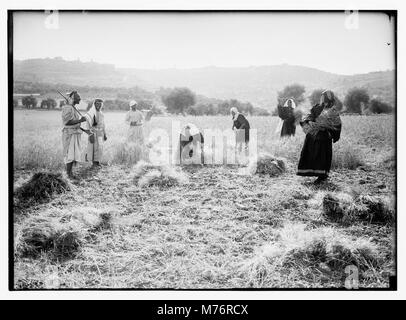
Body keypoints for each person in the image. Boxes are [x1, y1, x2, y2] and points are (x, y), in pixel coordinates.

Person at [297, 90, 342, 184]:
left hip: (324, 136)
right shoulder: (317, 107)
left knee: (322, 156)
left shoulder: (333, 110)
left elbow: (337, 124)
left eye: (324, 96)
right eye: (322, 96)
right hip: (313, 135)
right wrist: (309, 121)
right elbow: (309, 115)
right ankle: (311, 173)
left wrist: (328, 129)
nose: (322, 98)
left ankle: (322, 177)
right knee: (311, 154)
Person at [61, 91, 87, 178]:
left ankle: (70, 173)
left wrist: (85, 130)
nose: (80, 99)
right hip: (70, 134)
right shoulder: (68, 108)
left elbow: (75, 125)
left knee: (73, 154)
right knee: (70, 154)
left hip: (74, 133)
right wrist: (80, 120)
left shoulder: (72, 108)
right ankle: (68, 174)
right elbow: (68, 122)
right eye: (78, 97)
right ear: (73, 99)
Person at [83, 98, 107, 167]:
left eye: (100, 104)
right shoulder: (91, 113)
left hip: (100, 133)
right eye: (97, 104)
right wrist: (90, 134)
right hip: (93, 132)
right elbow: (88, 125)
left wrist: (104, 134)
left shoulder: (101, 113)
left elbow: (103, 125)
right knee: (93, 148)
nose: (99, 105)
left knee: (99, 147)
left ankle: (97, 162)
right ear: (94, 104)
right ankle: (93, 163)